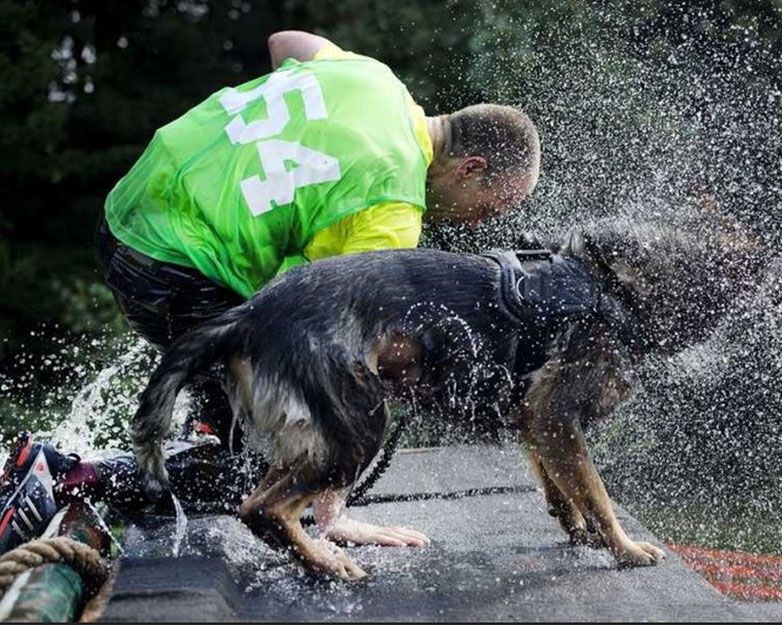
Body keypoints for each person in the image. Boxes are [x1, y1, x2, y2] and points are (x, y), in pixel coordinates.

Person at [0, 30, 540, 554]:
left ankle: (194, 435)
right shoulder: (392, 208)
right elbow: (340, 358)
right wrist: (333, 513)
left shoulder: (372, 79)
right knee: (253, 482)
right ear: (472, 168)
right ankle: (65, 473)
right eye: (489, 208)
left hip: (131, 210)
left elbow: (287, 41)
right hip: (179, 267)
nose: (475, 227)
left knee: (234, 417)